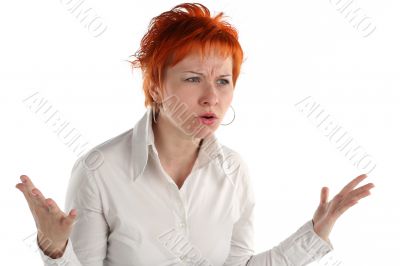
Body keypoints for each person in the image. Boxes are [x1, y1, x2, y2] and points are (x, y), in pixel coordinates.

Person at [16, 3, 375, 265]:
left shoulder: (234, 171)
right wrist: (55, 248)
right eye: (192, 79)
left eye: (223, 81)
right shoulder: (99, 169)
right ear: (155, 86)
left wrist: (316, 234)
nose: (211, 97)